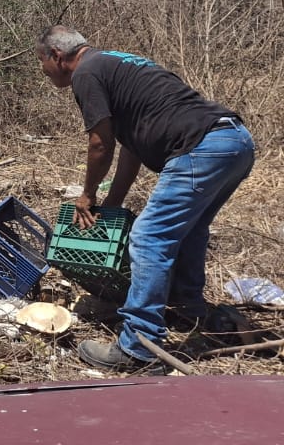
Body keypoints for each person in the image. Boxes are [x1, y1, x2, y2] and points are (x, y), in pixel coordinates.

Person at [35, 24, 256, 372]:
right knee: (191, 231)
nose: (43, 71)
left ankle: (139, 346)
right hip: (235, 140)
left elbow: (100, 143)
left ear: (57, 57)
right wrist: (113, 204)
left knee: (149, 238)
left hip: (201, 146)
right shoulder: (117, 63)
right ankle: (188, 312)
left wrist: (87, 194)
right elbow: (130, 149)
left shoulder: (87, 74)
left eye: (41, 62)